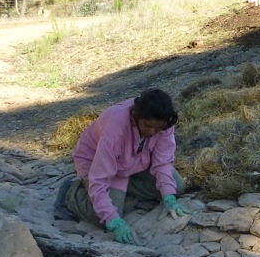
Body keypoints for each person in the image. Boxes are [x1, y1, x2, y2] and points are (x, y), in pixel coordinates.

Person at [56, 88, 189, 244]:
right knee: (105, 218)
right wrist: (114, 221)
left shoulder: (164, 122)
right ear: (136, 117)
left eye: (158, 128)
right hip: (96, 164)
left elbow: (163, 161)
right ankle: (71, 193)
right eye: (147, 126)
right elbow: (100, 179)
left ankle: (124, 193)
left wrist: (168, 196)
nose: (153, 132)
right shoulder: (115, 127)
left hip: (134, 163)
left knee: (177, 187)